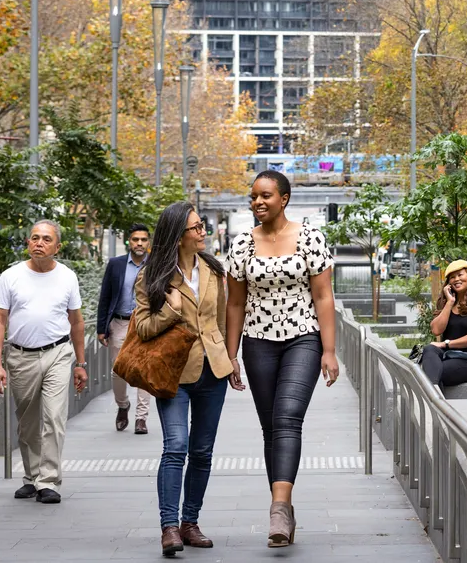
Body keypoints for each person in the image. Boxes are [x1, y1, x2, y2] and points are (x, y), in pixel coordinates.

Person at [225, 170, 338, 549]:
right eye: (254, 197)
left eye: (266, 196)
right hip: (257, 342)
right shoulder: (242, 244)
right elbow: (235, 303)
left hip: (303, 337)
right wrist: (230, 354)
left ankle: (277, 509)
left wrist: (329, 350)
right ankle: (285, 508)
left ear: (284, 198)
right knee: (270, 428)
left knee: (288, 417)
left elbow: (323, 296)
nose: (258, 202)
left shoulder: (310, 238)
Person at [133, 202, 233, 556]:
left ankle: (190, 523)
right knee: (175, 446)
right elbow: (143, 327)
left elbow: (220, 321)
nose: (203, 231)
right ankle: (169, 527)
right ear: (178, 236)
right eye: (196, 227)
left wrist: (230, 360)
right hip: (174, 372)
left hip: (213, 371)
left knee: (202, 451)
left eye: (202, 225)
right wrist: (171, 310)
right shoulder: (152, 276)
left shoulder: (213, 269)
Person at [0, 220, 88, 505]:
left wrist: (80, 363)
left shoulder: (67, 277)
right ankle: (32, 477)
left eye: (46, 239)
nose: (39, 243)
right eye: (34, 238)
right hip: (21, 357)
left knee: (54, 417)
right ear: (27, 243)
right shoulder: (11, 276)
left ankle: (49, 480)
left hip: (58, 353)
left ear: (57, 247)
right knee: (28, 423)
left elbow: (76, 322)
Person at [96, 223, 153, 433]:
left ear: (148, 242)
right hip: (119, 323)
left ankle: (141, 418)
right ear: (129, 241)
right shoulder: (116, 264)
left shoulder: (155, 264)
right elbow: (105, 297)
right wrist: (101, 328)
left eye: (143, 240)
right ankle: (123, 405)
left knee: (143, 371)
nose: (139, 243)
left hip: (146, 324)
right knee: (118, 371)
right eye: (135, 239)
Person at [420, 259, 467, 387]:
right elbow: (436, 330)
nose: (456, 279)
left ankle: (430, 397)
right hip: (448, 356)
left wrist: (445, 344)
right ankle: (434, 395)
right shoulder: (445, 302)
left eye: (460, 275)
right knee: (429, 349)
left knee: (434, 372)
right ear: (448, 283)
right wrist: (450, 303)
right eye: (452, 277)